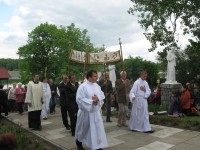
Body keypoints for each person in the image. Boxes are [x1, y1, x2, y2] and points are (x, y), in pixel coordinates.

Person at [75, 70, 108, 150]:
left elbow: (101, 95)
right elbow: (79, 99)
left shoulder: (97, 86)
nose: (96, 77)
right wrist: (92, 102)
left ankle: (97, 146)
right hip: (86, 113)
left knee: (97, 129)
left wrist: (97, 99)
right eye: (95, 76)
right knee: (83, 130)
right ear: (89, 77)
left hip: (95, 112)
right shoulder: (83, 86)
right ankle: (79, 141)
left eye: (96, 76)